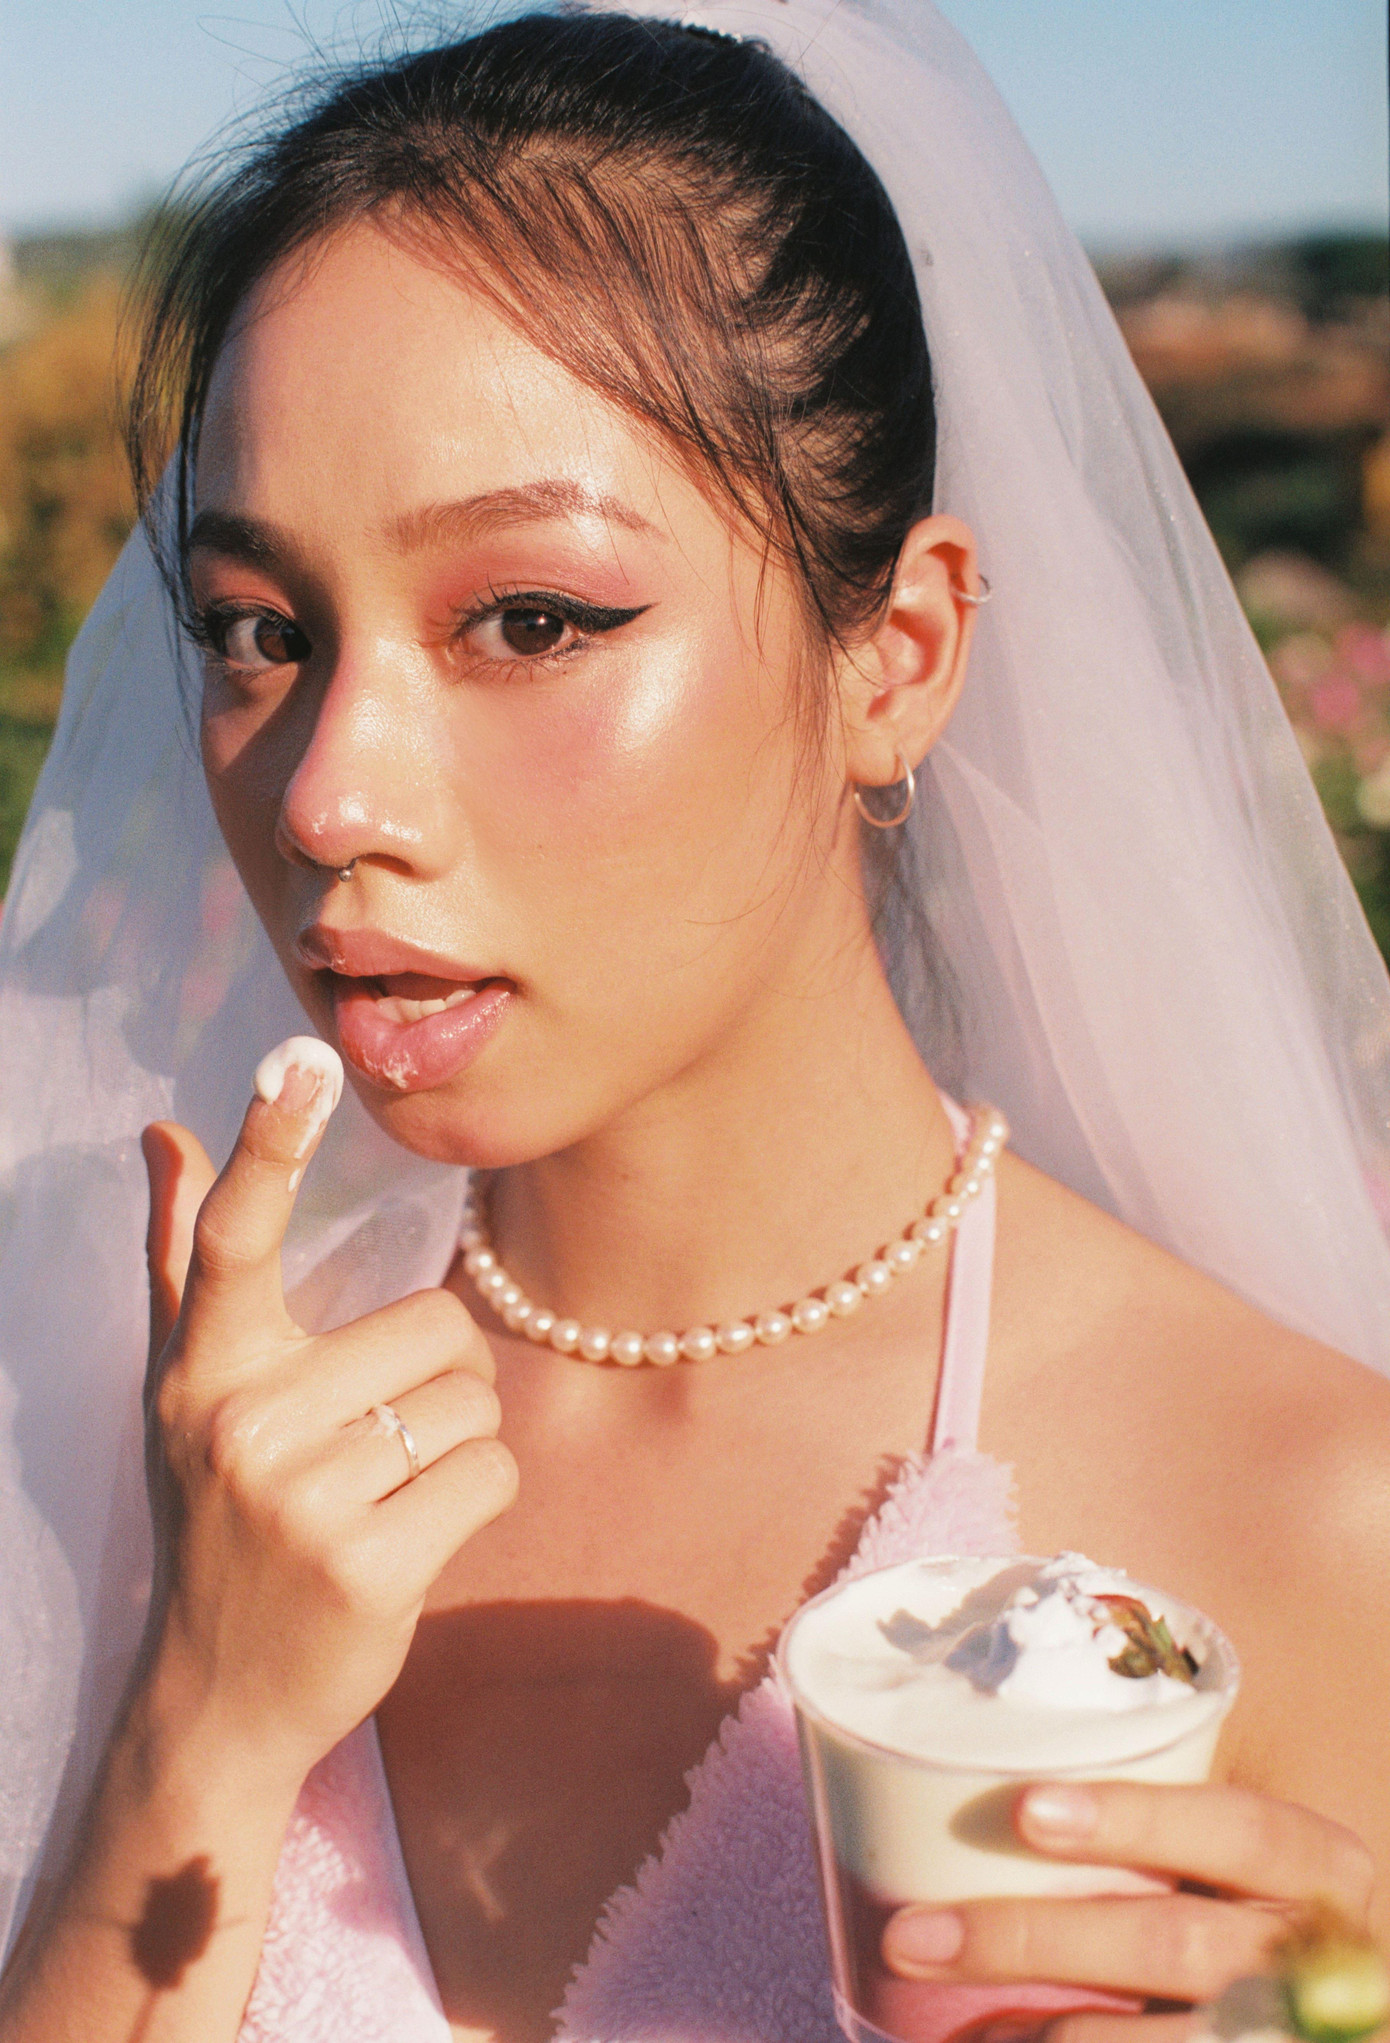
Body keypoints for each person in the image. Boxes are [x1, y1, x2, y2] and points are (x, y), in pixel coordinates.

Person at [2, 2, 1389, 2039]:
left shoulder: (1308, 1520)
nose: (325, 795)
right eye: (256, 630)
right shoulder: (171, 1423)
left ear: (894, 656)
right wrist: (193, 1725)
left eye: (531, 620)